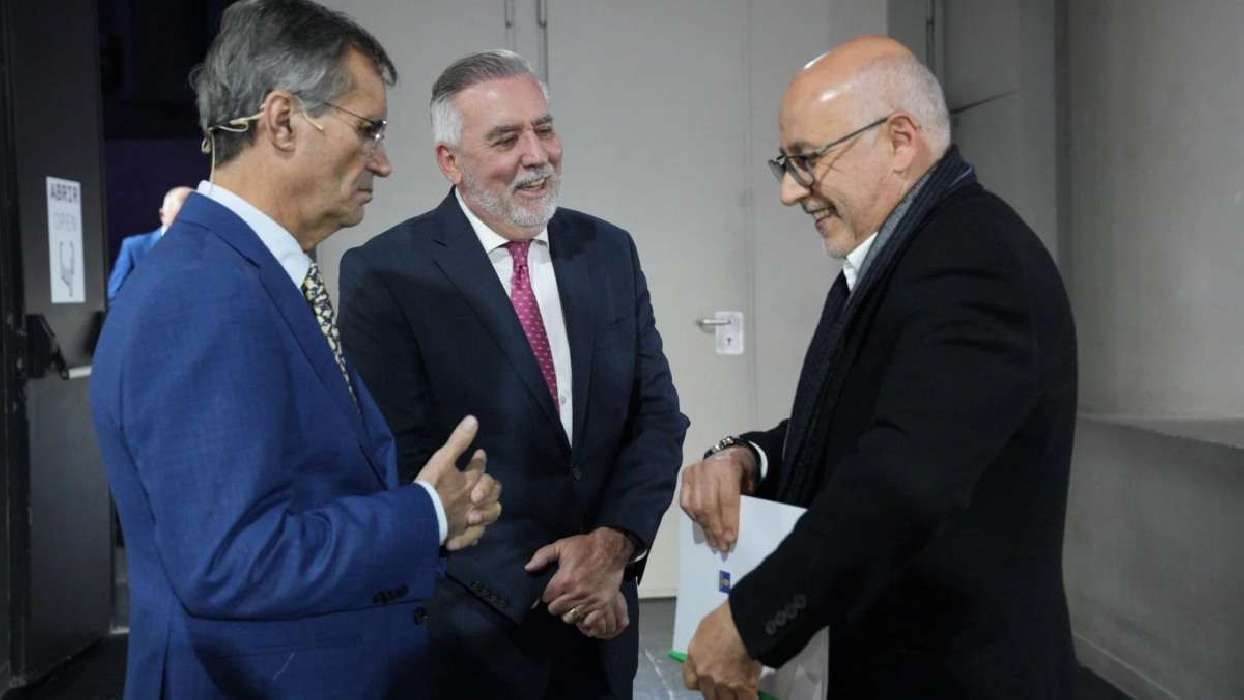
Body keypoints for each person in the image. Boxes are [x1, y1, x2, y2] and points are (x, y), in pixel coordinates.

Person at [90, 2, 501, 697]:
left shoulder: (245, 275)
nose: (383, 162)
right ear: (282, 121)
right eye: (367, 129)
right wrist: (426, 512)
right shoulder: (203, 294)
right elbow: (234, 562)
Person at [679, 36, 1078, 699]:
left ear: (899, 141)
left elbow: (901, 479)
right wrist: (749, 456)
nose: (789, 192)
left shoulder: (974, 264)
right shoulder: (909, 252)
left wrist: (751, 622)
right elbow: (864, 423)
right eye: (785, 163)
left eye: (807, 160)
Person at [337, 49, 688, 698]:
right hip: (474, 637)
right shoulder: (386, 273)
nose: (537, 155)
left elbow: (657, 416)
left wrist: (615, 546)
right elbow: (402, 463)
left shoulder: (609, 250)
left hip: (605, 621)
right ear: (450, 161)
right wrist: (561, 586)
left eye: (544, 129)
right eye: (506, 139)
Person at [106, 185, 192, 301]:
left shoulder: (210, 251)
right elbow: (114, 296)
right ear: (162, 215)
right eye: (177, 223)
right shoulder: (134, 248)